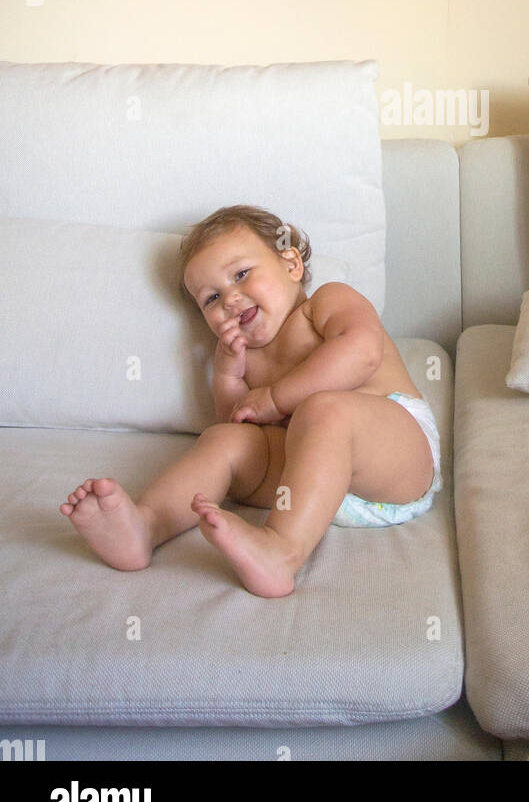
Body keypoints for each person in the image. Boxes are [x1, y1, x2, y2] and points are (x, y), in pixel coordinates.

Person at [60, 205, 441, 597]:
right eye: (210, 298)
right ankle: (145, 526)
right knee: (223, 441)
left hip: (396, 462)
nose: (230, 298)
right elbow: (238, 429)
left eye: (241, 274)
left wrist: (276, 398)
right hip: (308, 484)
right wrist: (229, 376)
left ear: (291, 264)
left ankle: (282, 550)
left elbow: (362, 352)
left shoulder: (324, 303)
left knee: (325, 409)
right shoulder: (244, 355)